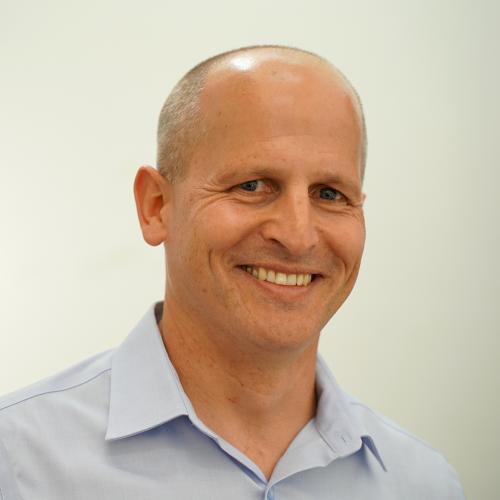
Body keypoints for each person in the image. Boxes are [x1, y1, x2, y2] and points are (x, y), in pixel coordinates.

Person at [0, 45, 465, 499]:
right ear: (156, 206)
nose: (298, 236)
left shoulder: (424, 484)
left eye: (329, 194)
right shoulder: (17, 464)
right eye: (252, 185)